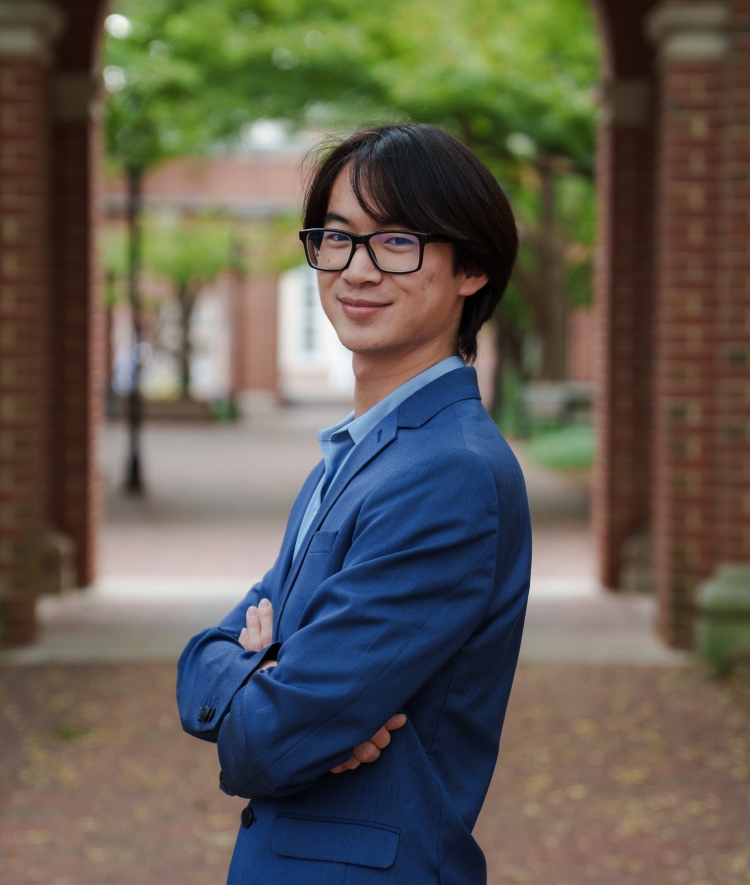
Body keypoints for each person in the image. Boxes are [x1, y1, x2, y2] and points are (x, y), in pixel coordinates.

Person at [177, 123, 531, 885]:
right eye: (336, 239)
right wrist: (263, 673)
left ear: (470, 266)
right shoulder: (357, 455)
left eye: (397, 241)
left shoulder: (449, 472)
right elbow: (200, 658)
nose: (356, 270)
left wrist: (264, 670)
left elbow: (263, 742)